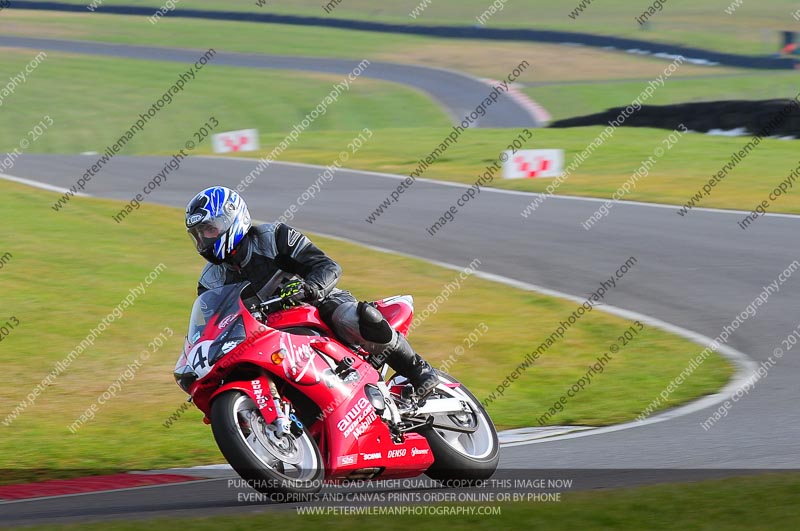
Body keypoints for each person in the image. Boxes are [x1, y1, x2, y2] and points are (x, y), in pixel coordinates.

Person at [185, 186, 438, 400]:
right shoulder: (210, 281)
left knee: (350, 317)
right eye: (198, 235)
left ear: (231, 218)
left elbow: (327, 266)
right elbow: (213, 325)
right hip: (269, 333)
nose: (204, 240)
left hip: (315, 306)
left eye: (209, 229)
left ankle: (419, 371)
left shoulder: (274, 237)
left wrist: (311, 289)